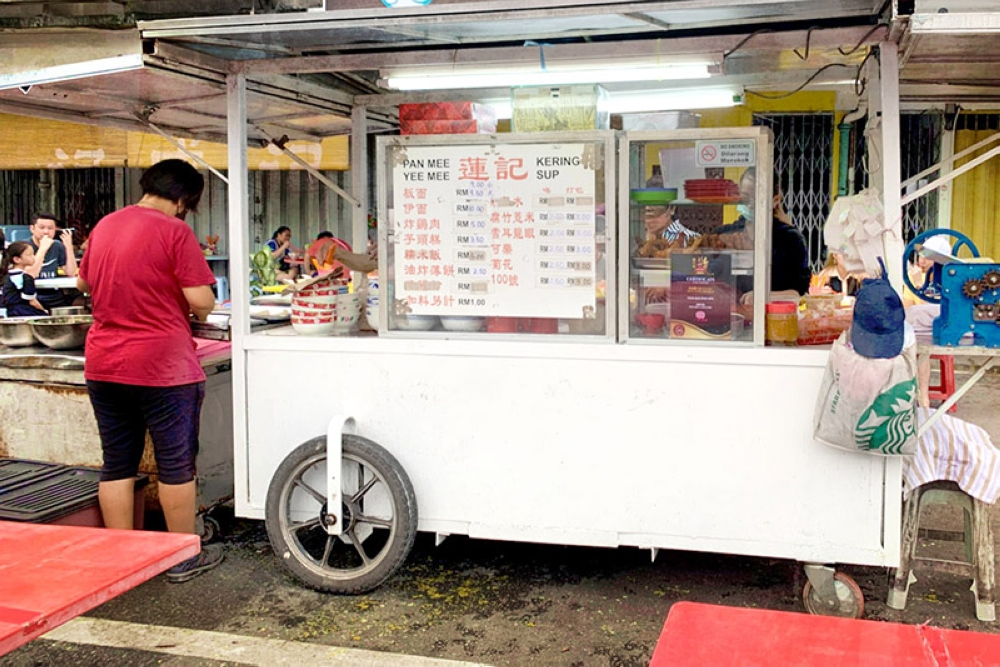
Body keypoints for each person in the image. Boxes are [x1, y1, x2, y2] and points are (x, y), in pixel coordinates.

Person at [77, 159, 223, 583]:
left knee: (117, 463)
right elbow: (203, 302)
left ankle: (124, 560)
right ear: (183, 200)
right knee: (176, 463)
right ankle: (181, 558)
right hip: (162, 367)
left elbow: (83, 284)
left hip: (104, 363)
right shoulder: (175, 231)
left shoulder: (105, 224)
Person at [718, 168, 811, 305]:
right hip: (730, 320)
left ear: (775, 200)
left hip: (774, 320)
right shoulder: (725, 235)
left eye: (755, 198)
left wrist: (762, 297)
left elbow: (798, 294)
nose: (748, 203)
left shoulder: (791, 240)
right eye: (744, 197)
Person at [26, 213, 78, 309]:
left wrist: (68, 246)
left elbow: (71, 273)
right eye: (41, 228)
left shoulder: (57, 245)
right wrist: (43, 248)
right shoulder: (24, 246)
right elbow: (30, 274)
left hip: (54, 294)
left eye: (50, 228)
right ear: (32, 229)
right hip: (32, 296)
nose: (46, 232)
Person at [1, 241, 48, 317]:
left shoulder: (8, 275)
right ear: (17, 259)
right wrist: (44, 311)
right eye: (29, 255)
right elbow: (32, 301)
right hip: (22, 312)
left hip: (12, 312)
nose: (33, 257)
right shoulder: (25, 277)